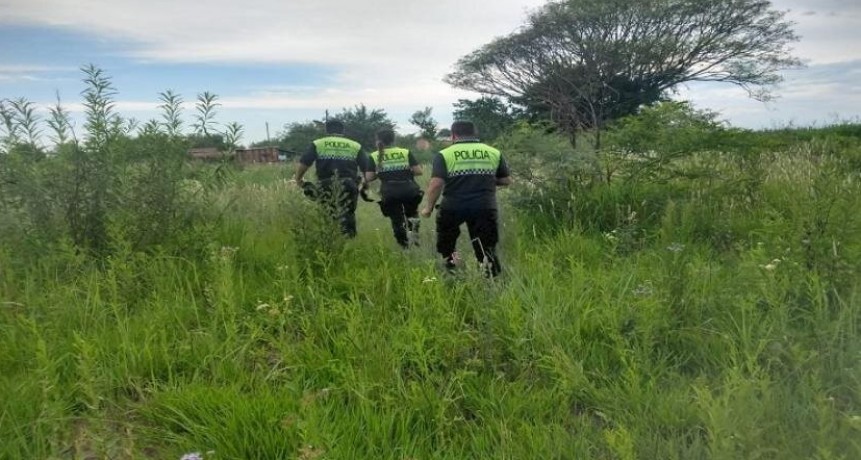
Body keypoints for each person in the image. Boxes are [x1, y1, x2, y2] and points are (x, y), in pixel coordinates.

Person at [420, 121, 512, 277]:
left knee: (447, 245)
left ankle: (452, 272)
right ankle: (491, 280)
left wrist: (428, 208)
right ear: (474, 133)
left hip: (453, 207)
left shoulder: (444, 154)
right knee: (486, 248)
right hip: (484, 206)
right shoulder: (493, 152)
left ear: (453, 135)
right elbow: (506, 180)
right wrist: (483, 179)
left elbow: (436, 184)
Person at [293, 120, 367, 237]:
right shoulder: (355, 145)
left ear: (326, 130)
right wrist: (362, 183)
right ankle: (349, 240)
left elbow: (305, 163)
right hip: (348, 184)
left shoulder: (318, 143)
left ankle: (331, 240)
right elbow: (367, 168)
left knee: (328, 214)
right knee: (348, 213)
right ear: (343, 130)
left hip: (325, 184)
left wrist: (298, 179)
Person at [364, 128, 423, 248]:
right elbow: (419, 171)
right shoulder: (405, 152)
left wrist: (381, 173)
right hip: (409, 190)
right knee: (412, 215)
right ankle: (415, 241)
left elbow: (369, 177)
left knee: (396, 219)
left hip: (389, 191)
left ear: (378, 141)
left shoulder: (374, 156)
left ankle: (404, 246)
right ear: (393, 139)